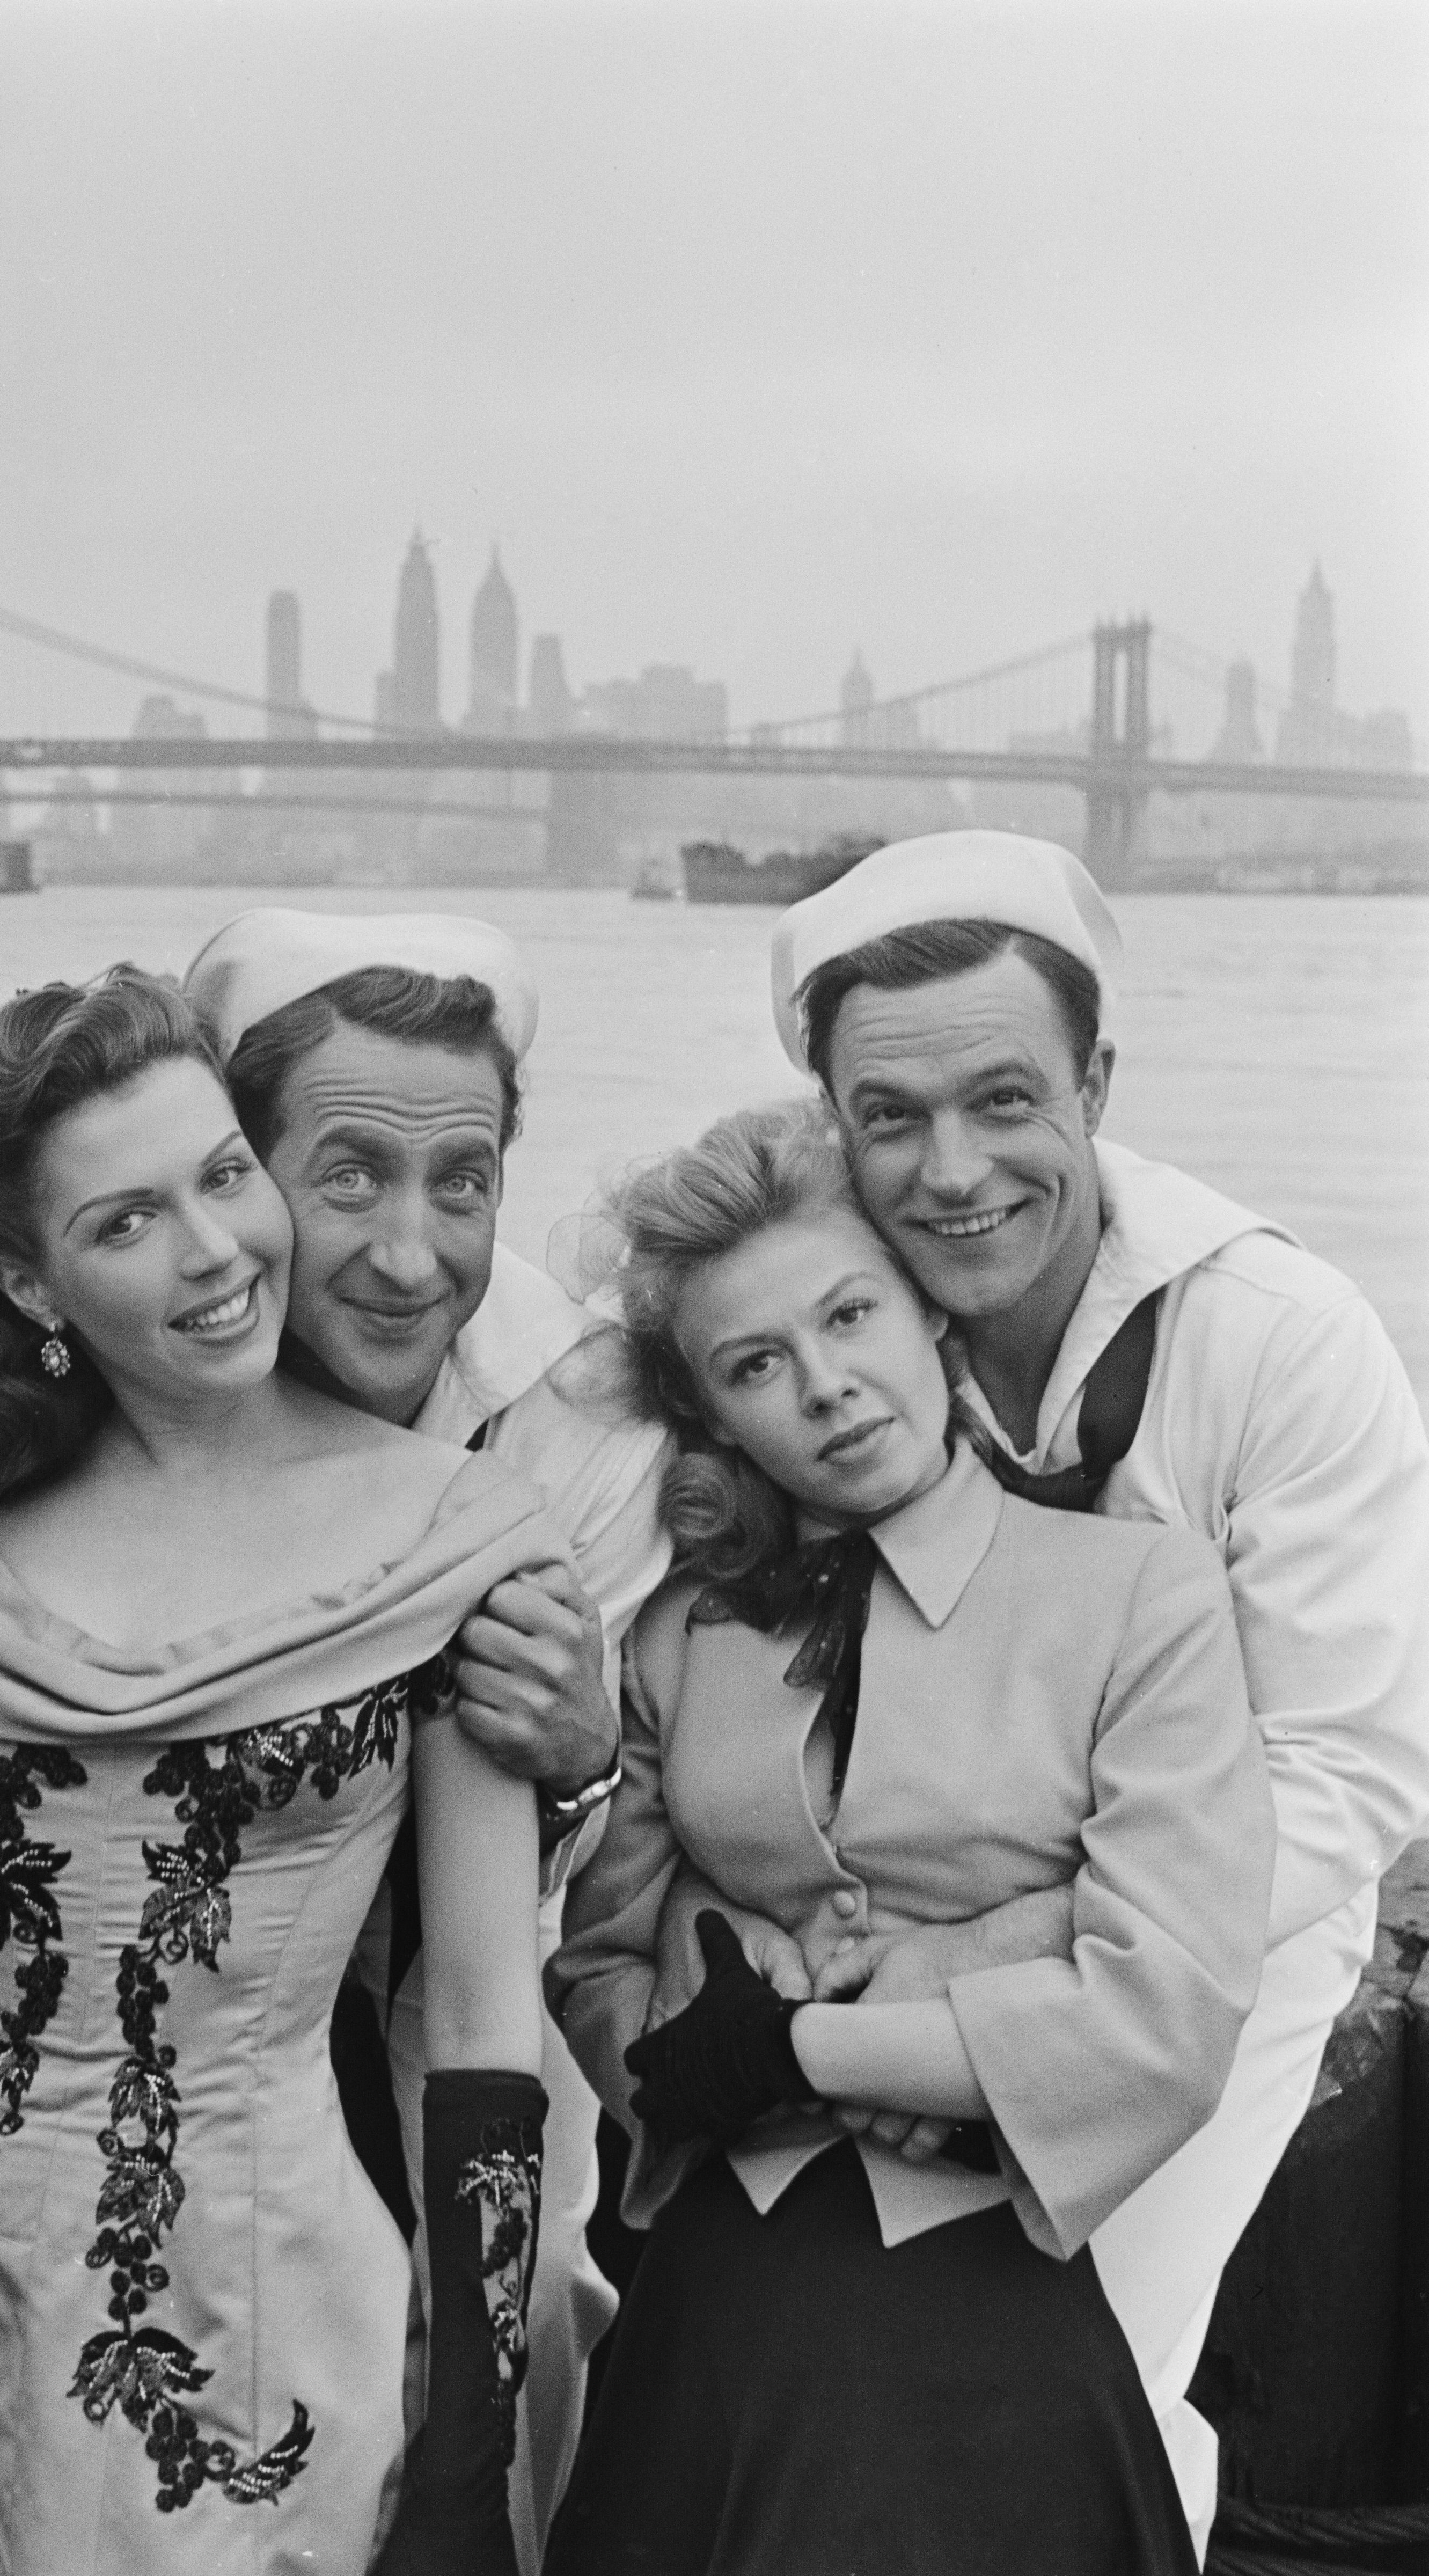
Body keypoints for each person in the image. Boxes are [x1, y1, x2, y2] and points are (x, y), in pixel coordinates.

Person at [0, 968, 562, 2575]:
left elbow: (478, 2023)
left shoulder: (454, 1535)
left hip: (262, 2310)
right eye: (124, 1223)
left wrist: (472, 2433)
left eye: (224, 1176)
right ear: (31, 1281)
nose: (216, 1253)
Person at [643, 829, 1429, 2550]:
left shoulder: (1270, 1341)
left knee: (1093, 2365)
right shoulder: (839, 1306)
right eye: (889, 1117)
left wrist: (1003, 1954)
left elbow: (1348, 1769)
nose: (951, 1171)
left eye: (1005, 1100)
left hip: (1204, 1941)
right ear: (830, 1125)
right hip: (855, 1945)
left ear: (1095, 1082)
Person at [547, 1097, 1272, 2574]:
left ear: (928, 1316)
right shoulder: (682, 1632)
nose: (824, 1386)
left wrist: (802, 2048)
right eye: (755, 1365)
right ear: (710, 1416)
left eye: (848, 1314)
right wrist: (688, 2048)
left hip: (980, 2299)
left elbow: (1163, 2010)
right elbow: (603, 1974)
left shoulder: (1138, 1594)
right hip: (711, 2295)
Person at [186, 908, 671, 2566]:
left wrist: (583, 1750)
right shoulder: (116, 1361)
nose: (411, 1254)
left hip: (447, 1978)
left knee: (509, 2333)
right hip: (157, 1998)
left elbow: (518, 1922)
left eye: (458, 1184)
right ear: (231, 1174)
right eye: (346, 1180)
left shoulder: (579, 1416)